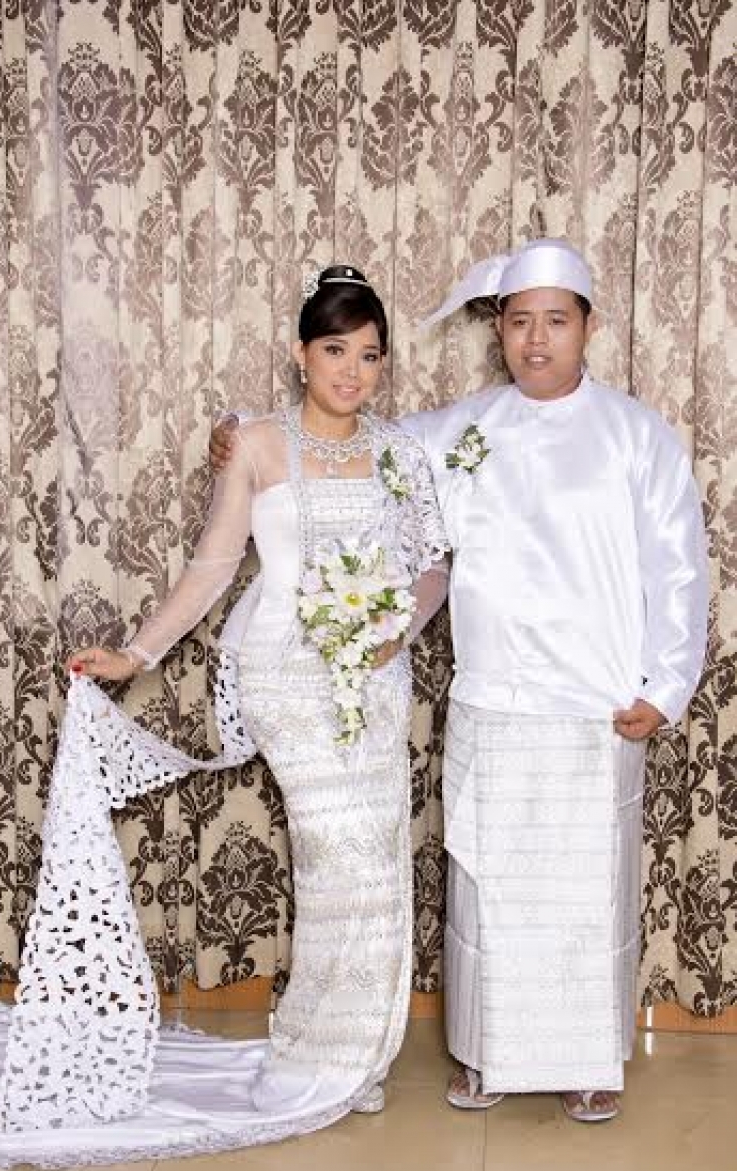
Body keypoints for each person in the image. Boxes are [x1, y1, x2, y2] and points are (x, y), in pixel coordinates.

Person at [0, 266, 448, 1167]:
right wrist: (136, 653)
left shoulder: (401, 451)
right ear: (300, 354)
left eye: (369, 356)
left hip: (375, 678)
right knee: (336, 856)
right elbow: (212, 567)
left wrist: (399, 629)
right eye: (334, 351)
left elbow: (433, 562)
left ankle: (352, 1052)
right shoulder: (257, 444)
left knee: (376, 859)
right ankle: (325, 1052)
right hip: (287, 676)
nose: (352, 371)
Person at [210, 238, 708, 1124]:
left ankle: (589, 1060)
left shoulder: (639, 435)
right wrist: (239, 426)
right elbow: (345, 432)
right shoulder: (459, 431)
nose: (536, 340)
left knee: (585, 891)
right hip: (493, 697)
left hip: (597, 703)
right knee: (490, 885)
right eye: (520, 322)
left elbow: (679, 567)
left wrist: (665, 683)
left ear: (588, 327)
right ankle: (488, 1056)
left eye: (556, 322)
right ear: (499, 332)